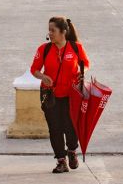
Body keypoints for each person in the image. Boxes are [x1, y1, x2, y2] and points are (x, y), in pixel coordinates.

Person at [31, 17, 90, 173]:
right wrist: (43, 77)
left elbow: (85, 64)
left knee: (71, 127)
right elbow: (34, 69)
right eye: (49, 30)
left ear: (63, 32)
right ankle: (61, 160)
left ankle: (72, 150)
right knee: (55, 128)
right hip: (50, 95)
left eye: (53, 30)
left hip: (71, 95)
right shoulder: (44, 49)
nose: (50, 33)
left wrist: (79, 74)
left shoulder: (76, 48)